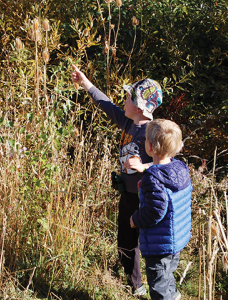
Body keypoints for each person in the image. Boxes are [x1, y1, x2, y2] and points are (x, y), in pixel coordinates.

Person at [72, 64, 163, 296]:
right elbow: (105, 104)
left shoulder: (152, 132)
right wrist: (85, 83)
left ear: (141, 106)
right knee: (125, 240)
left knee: (146, 243)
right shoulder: (128, 123)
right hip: (128, 195)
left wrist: (143, 166)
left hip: (145, 197)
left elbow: (167, 163)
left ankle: (149, 286)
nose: (124, 99)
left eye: (129, 97)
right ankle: (132, 281)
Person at [130, 119, 192, 300]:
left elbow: (156, 210)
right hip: (175, 239)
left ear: (150, 147)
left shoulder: (153, 177)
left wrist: (135, 219)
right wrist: (147, 185)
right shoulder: (179, 168)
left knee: (158, 286)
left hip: (160, 243)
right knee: (167, 276)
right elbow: (169, 196)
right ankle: (173, 296)